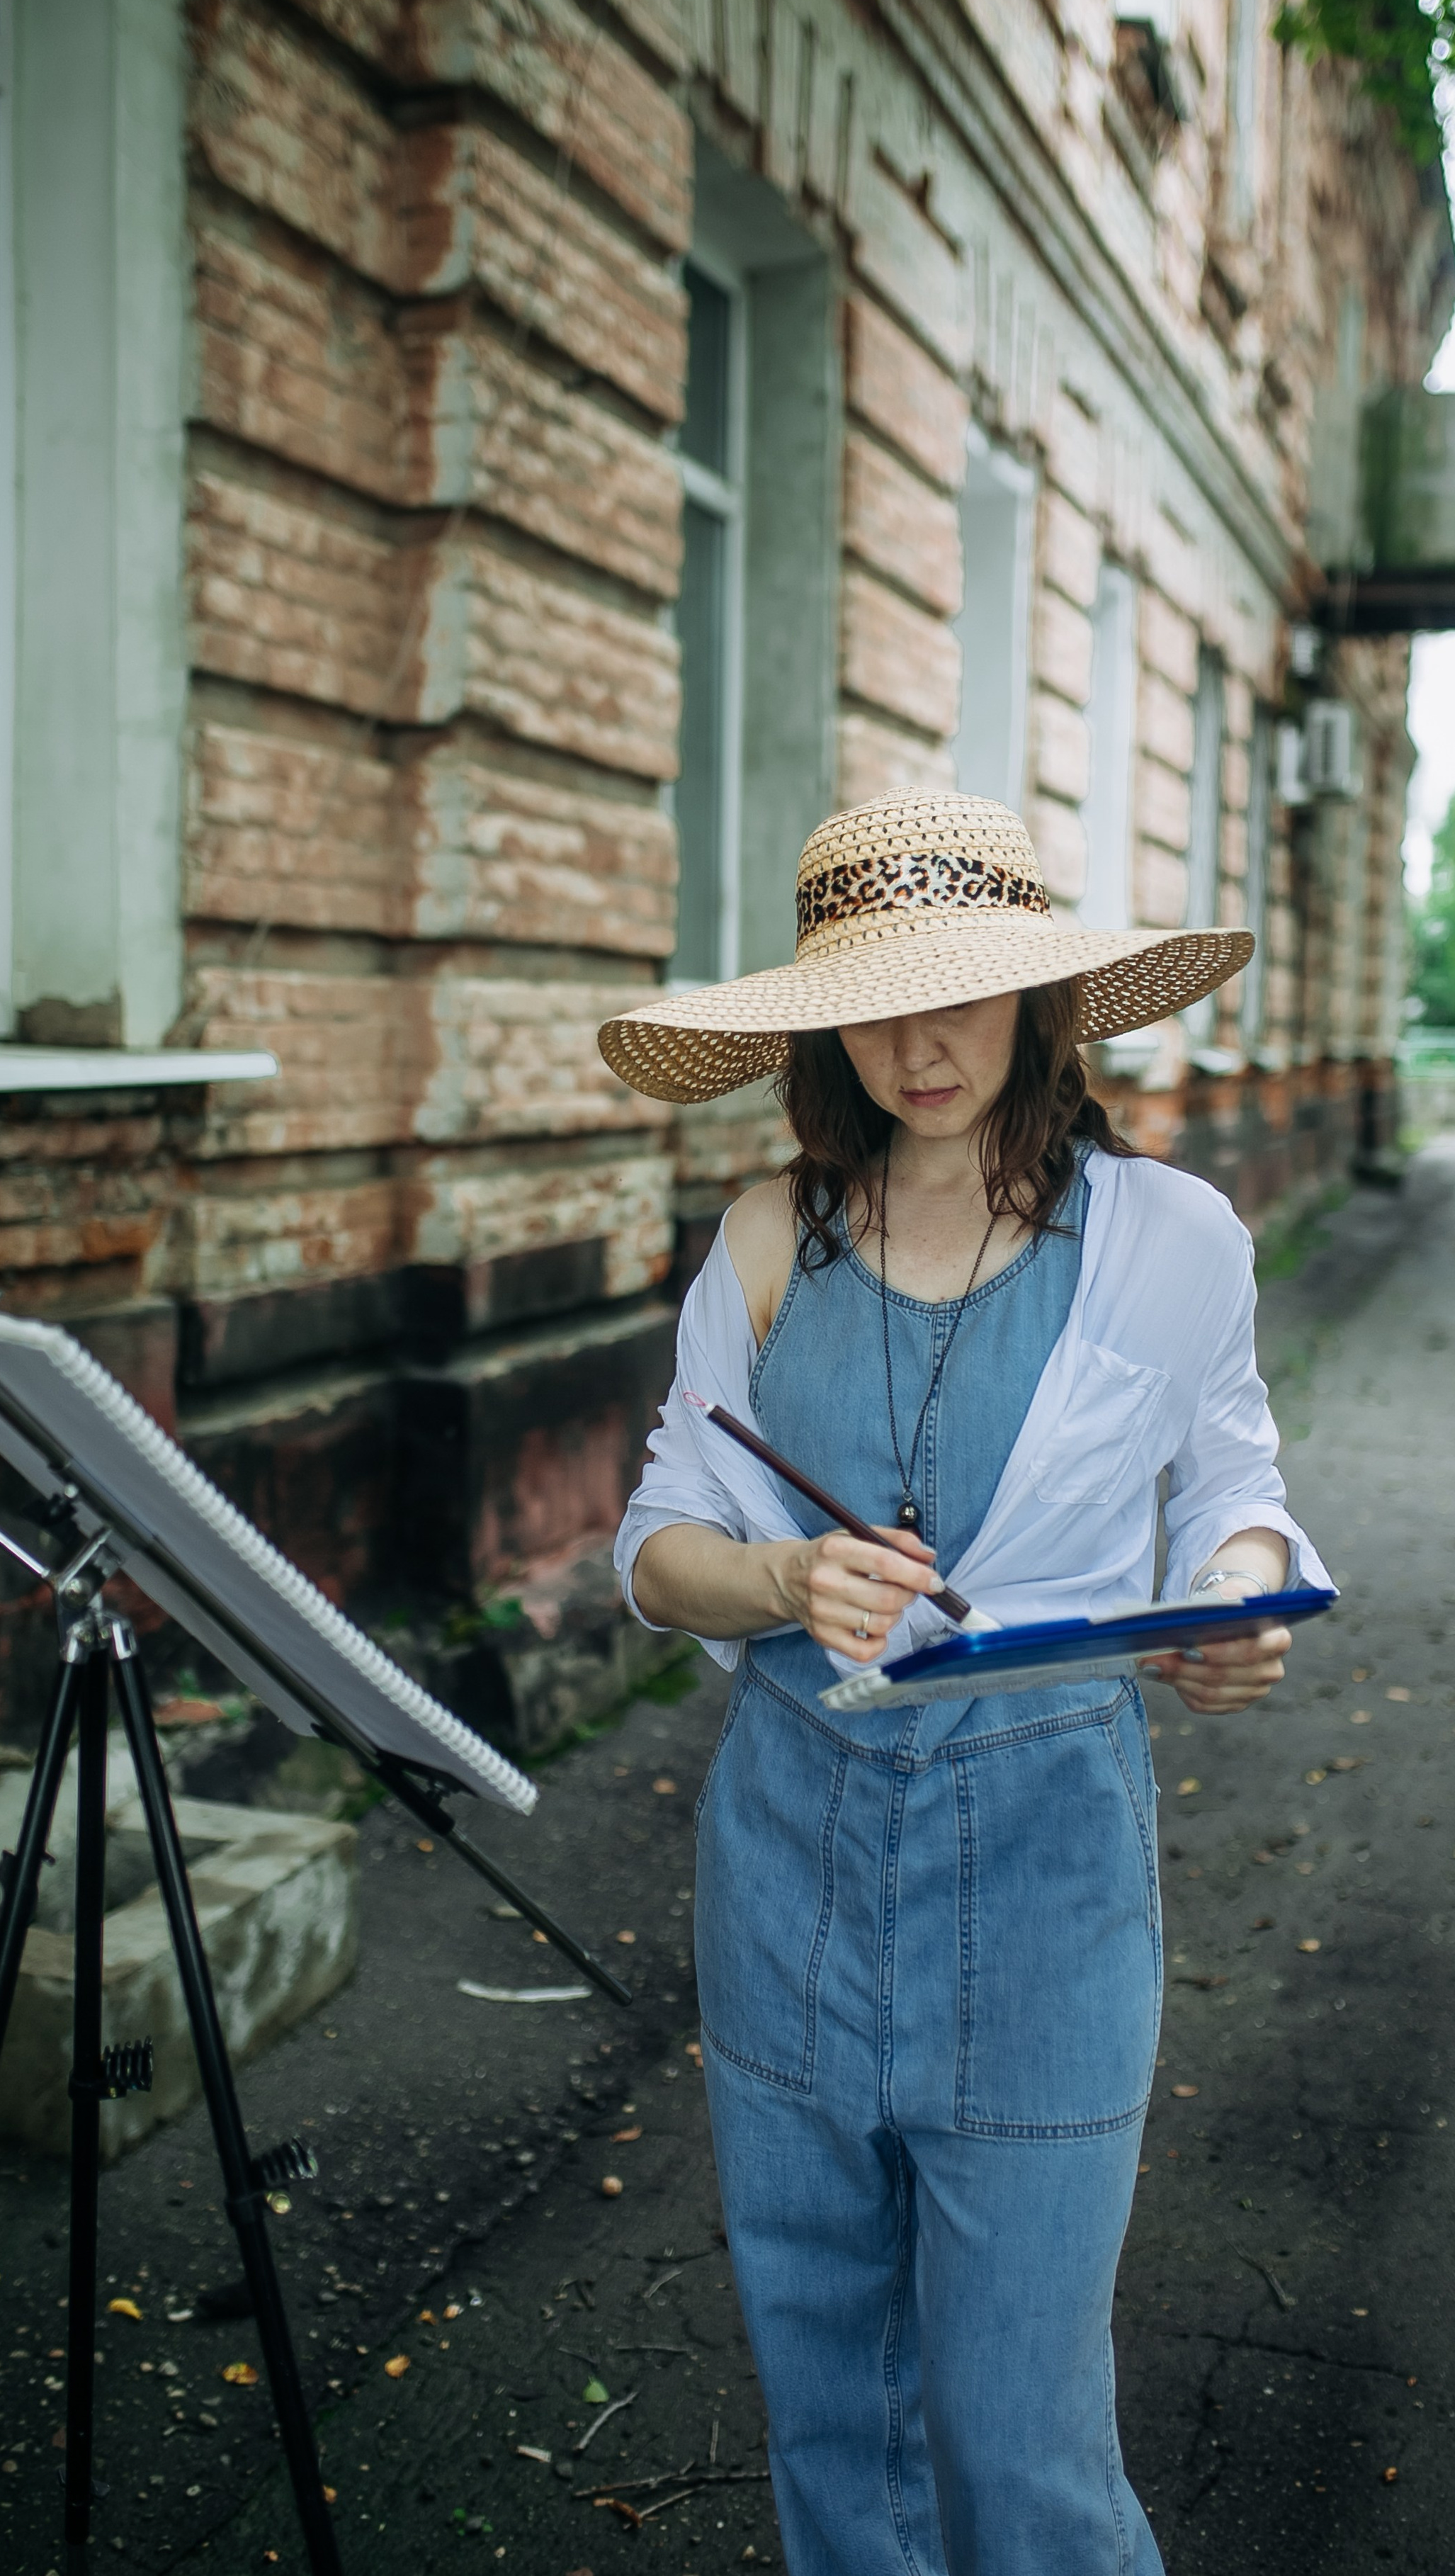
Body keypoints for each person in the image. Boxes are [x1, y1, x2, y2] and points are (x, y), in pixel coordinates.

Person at [599, 792, 1329, 2576]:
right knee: (832, 2408)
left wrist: (1231, 1599)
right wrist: (779, 1575)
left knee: (1021, 2429)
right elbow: (656, 1545)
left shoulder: (1166, 1234)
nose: (919, 1046)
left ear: (1037, 998)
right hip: (787, 1853)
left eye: (960, 994)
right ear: (820, 1024)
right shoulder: (772, 1232)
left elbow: (1235, 1490)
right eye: (871, 1003)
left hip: (1047, 1852)